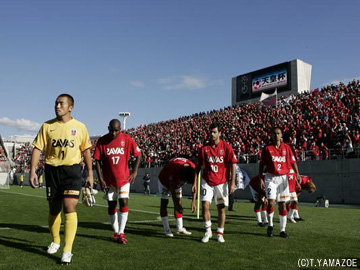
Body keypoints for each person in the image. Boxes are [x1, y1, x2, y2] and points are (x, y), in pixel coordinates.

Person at [29, 93, 93, 265]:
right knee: (54, 209)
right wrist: (33, 171)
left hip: (72, 171)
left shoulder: (80, 127)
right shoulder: (47, 126)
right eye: (56, 103)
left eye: (61, 104)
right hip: (52, 171)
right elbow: (37, 149)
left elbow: (86, 151)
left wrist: (90, 173)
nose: (57, 106)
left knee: (69, 206)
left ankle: (67, 250)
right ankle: (56, 240)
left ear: (70, 107)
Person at [94, 119, 142, 244]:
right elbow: (97, 161)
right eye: (111, 130)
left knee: (124, 202)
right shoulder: (102, 141)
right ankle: (115, 232)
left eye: (116, 130)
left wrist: (135, 171)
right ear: (108, 128)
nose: (114, 133)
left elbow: (138, 154)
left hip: (124, 179)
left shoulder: (126, 139)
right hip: (109, 181)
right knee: (111, 206)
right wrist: (101, 179)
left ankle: (121, 232)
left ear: (120, 129)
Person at [192, 122, 237, 243]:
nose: (212, 134)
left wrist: (232, 182)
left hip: (222, 183)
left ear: (220, 133)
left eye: (214, 132)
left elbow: (233, 164)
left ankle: (220, 233)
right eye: (210, 132)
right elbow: (198, 166)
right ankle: (208, 231)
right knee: (205, 206)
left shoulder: (226, 147)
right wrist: (195, 182)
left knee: (221, 209)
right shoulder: (204, 149)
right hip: (207, 181)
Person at [259, 127, 300, 238]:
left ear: (281, 135)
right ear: (271, 135)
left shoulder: (287, 148)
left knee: (282, 204)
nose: (276, 135)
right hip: (270, 177)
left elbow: (293, 162)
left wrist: (297, 174)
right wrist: (261, 178)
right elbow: (261, 164)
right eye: (274, 133)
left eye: (278, 133)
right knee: (271, 202)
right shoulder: (267, 148)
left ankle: (282, 230)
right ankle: (270, 225)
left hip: (283, 178)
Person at [158, 157, 196, 237]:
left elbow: (194, 186)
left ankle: (179, 228)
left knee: (179, 202)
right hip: (164, 181)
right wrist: (177, 205)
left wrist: (193, 202)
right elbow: (172, 188)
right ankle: (166, 230)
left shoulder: (193, 168)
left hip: (176, 180)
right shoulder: (174, 167)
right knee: (164, 203)